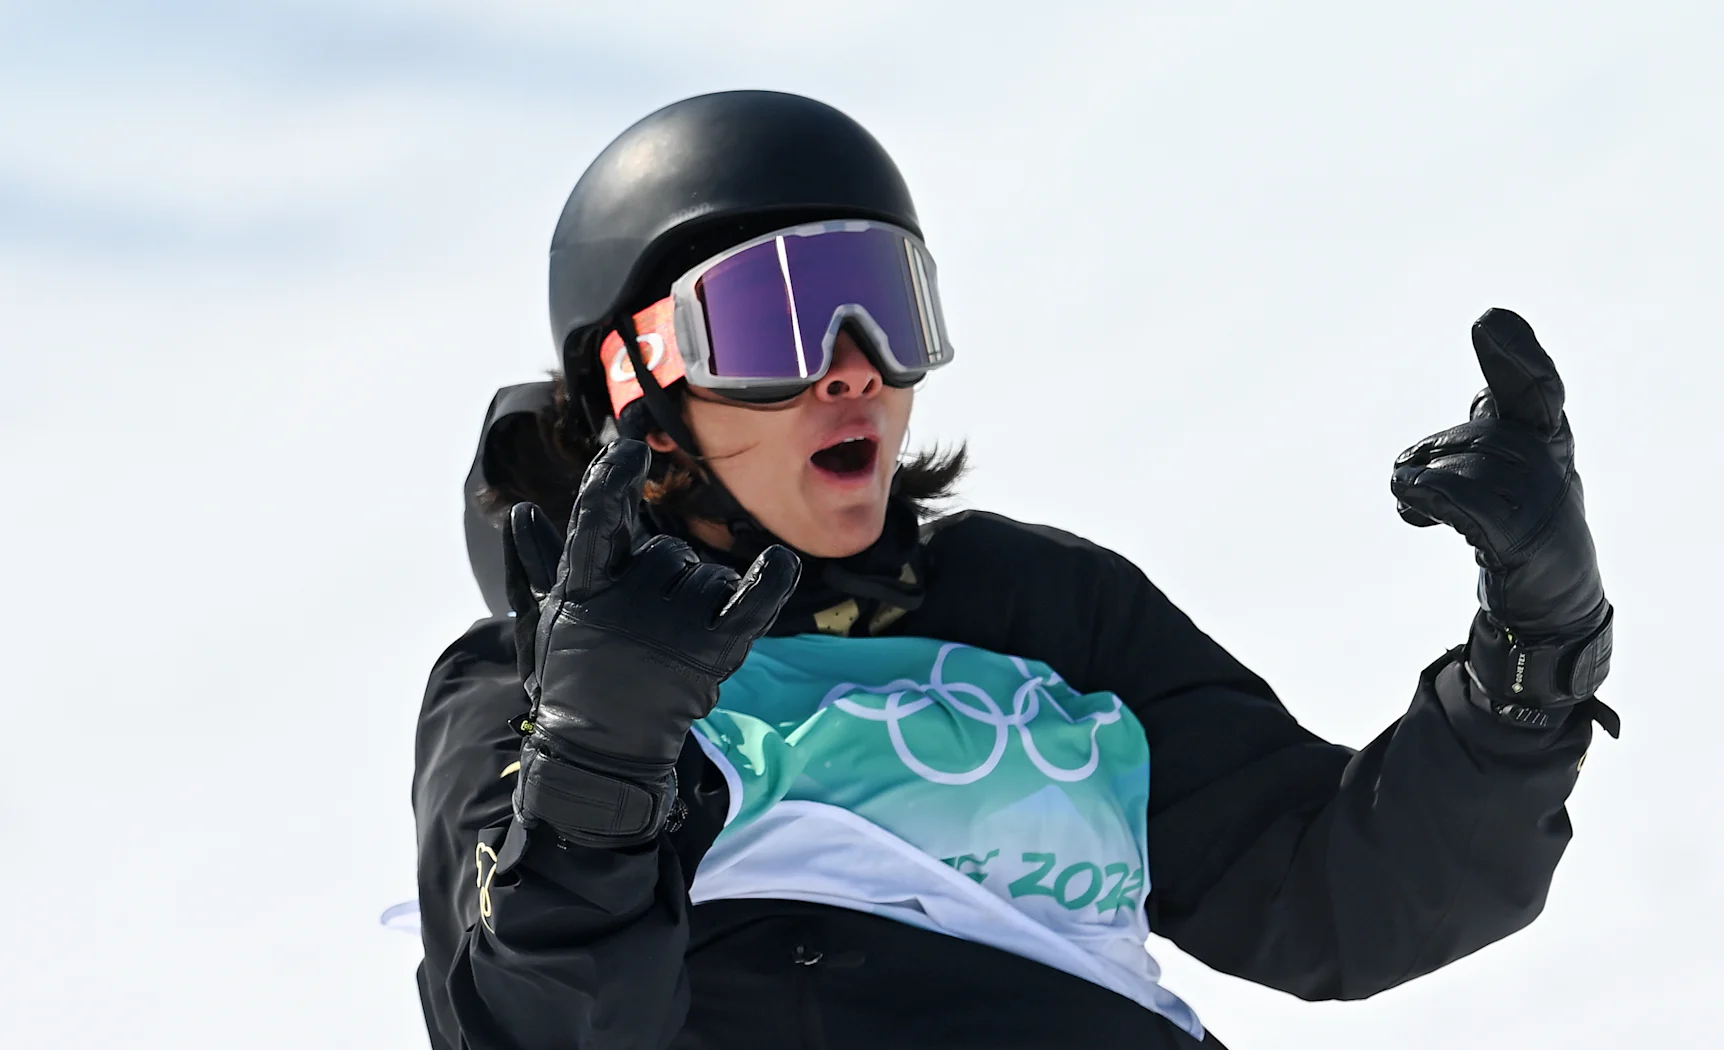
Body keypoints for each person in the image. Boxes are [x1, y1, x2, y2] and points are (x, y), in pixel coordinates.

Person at [411, 90, 1620, 1050]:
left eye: (883, 304)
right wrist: (601, 759)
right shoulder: (532, 682)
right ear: (642, 389)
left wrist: (1533, 660)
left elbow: (1331, 896)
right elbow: (541, 1030)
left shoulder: (1045, 613)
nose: (854, 369)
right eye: (777, 320)